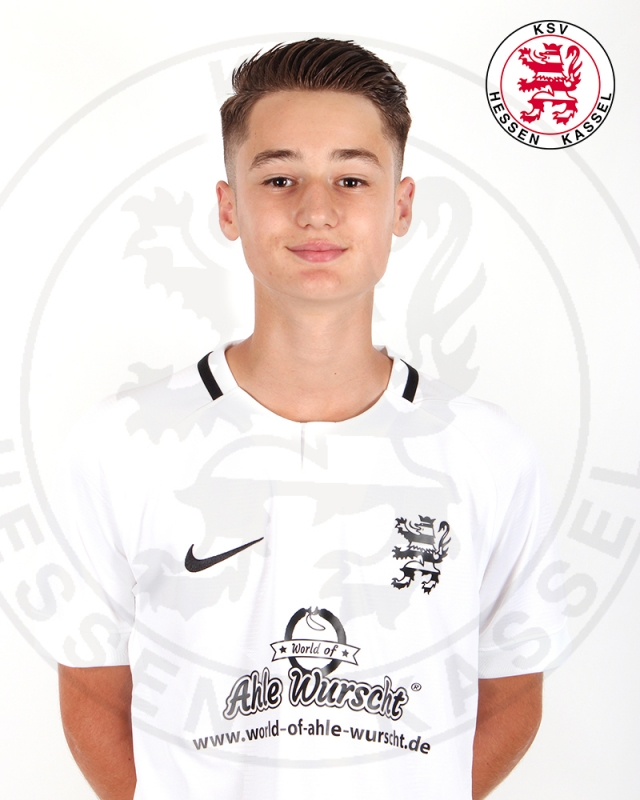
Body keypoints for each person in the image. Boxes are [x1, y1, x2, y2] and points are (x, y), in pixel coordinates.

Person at [54, 38, 568, 800]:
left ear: (401, 207)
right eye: (280, 178)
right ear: (229, 207)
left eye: (351, 178)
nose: (317, 210)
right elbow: (92, 687)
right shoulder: (120, 445)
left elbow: (513, 687)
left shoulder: (489, 454)